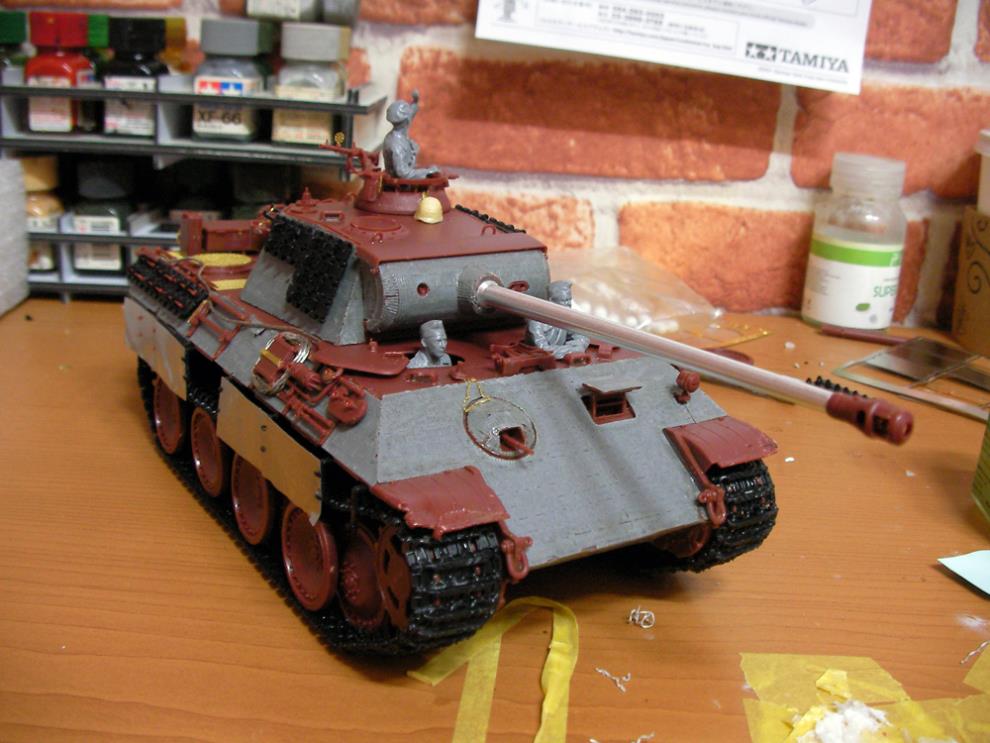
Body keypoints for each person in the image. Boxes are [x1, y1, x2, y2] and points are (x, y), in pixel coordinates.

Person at [382, 90, 439, 180]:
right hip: (400, 185)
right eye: (409, 116)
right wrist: (427, 172)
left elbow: (411, 111)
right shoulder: (396, 145)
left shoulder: (401, 129)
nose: (410, 116)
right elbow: (403, 173)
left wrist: (415, 101)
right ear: (406, 121)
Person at [525, 280, 590, 359]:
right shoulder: (537, 322)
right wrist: (571, 349)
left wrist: (578, 344)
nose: (568, 304)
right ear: (551, 301)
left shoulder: (568, 316)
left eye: (569, 300)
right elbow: (542, 348)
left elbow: (582, 335)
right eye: (563, 300)